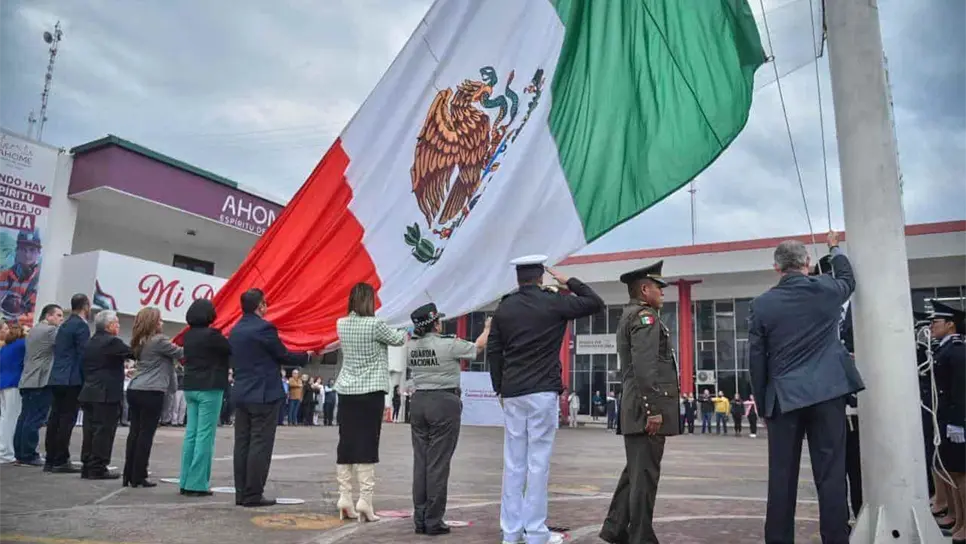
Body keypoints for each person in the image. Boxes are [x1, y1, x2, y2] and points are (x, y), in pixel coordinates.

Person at [749, 232, 862, 544]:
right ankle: (836, 538)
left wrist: (762, 404)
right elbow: (847, 277)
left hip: (784, 399)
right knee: (831, 474)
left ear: (776, 268)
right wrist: (835, 247)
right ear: (808, 264)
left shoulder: (762, 305)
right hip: (828, 393)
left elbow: (756, 361)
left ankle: (779, 539)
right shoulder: (827, 290)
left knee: (782, 476)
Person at [488, 254, 604, 544]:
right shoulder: (553, 302)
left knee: (513, 462)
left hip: (513, 391)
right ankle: (536, 532)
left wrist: (499, 388)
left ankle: (511, 532)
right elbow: (595, 302)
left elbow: (494, 351)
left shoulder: (504, 308)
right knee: (537, 463)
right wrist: (569, 281)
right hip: (542, 391)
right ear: (541, 277)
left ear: (517, 278)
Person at [600, 260, 680, 544]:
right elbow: (646, 368)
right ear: (645, 289)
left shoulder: (632, 315)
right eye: (659, 287)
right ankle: (641, 537)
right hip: (645, 410)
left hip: (636, 406)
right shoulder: (645, 318)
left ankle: (615, 528)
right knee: (645, 477)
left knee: (635, 474)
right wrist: (653, 410)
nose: (663, 292)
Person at [406, 303, 489, 535]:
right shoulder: (448, 344)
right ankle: (434, 520)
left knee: (420, 462)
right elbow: (477, 348)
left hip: (419, 401)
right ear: (435, 323)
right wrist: (488, 329)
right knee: (438, 463)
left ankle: (420, 517)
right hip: (444, 402)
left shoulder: (411, 346)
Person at [230, 288, 311, 507]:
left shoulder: (236, 330)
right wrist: (306, 356)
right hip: (263, 394)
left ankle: (241, 492)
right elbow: (282, 354)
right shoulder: (264, 328)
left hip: (242, 392)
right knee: (260, 443)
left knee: (242, 443)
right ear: (261, 306)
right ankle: (253, 493)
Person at [333, 282, 407, 521]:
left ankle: (344, 496)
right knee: (367, 443)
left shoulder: (341, 324)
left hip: (346, 389)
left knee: (346, 442)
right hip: (371, 390)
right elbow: (397, 340)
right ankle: (365, 500)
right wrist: (406, 325)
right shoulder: (375, 325)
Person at [124, 307, 183, 488]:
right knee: (146, 434)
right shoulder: (159, 341)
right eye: (159, 320)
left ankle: (129, 473)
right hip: (152, 390)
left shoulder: (138, 341)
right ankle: (139, 475)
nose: (162, 323)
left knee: (135, 432)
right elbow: (181, 353)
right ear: (153, 323)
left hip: (136, 387)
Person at [180, 298, 232, 497]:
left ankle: (185, 479)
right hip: (210, 387)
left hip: (191, 385)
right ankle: (197, 482)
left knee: (191, 434)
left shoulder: (189, 336)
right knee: (205, 435)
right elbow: (229, 349)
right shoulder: (213, 335)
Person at [77, 310, 130, 480]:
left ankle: (87, 464)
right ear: (109, 326)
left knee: (90, 430)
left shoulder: (90, 341)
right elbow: (133, 352)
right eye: (116, 323)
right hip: (105, 393)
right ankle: (98, 467)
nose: (118, 326)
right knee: (103, 431)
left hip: (89, 390)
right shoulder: (112, 342)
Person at [929, 301, 966, 541]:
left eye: (936, 322)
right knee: (951, 470)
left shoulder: (957, 350)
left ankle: (964, 523)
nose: (931, 326)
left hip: (956, 420)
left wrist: (958, 421)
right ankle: (958, 518)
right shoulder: (944, 349)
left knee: (961, 473)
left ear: (951, 325)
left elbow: (960, 389)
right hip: (943, 417)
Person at [45, 294, 92, 474]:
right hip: (72, 378)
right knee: (67, 419)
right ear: (85, 306)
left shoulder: (64, 325)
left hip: (57, 376)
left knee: (55, 418)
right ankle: (61, 459)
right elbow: (83, 355)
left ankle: (51, 458)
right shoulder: (81, 326)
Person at [14, 304, 62, 465]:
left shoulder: (33, 330)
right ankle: (29, 454)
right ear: (48, 316)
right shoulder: (50, 331)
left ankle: (20, 452)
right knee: (34, 418)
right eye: (59, 315)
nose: (61, 319)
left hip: (28, 378)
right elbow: (64, 344)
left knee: (24, 417)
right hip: (40, 380)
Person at [0, 322, 26, 463]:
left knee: (4, 418)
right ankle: (6, 453)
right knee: (12, 419)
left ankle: (3, 450)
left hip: (3, 383)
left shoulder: (5, 348)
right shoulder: (22, 345)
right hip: (14, 383)